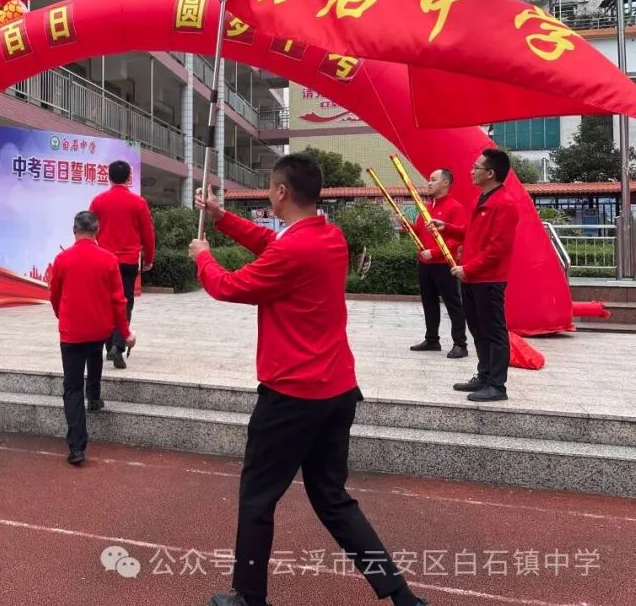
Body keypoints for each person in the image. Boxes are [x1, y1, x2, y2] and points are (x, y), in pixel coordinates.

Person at [189, 153, 426, 606]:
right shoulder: (328, 236)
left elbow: (230, 287)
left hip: (292, 397)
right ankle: (400, 594)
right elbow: (270, 244)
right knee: (333, 499)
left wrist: (203, 258)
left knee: (258, 498)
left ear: (280, 192)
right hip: (337, 391)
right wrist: (222, 219)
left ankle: (248, 596)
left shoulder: (294, 249)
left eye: (270, 189)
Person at [431, 149, 519, 403]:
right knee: (478, 330)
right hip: (472, 278)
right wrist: (447, 228)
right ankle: (484, 375)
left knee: (493, 331)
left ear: (490, 173)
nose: (471, 171)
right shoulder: (483, 199)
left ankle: (497, 385)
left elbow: (498, 248)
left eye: (476, 167)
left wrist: (468, 268)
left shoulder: (504, 203)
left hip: (487, 279)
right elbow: (471, 233)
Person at [49, 211, 135, 466]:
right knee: (95, 356)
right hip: (99, 329)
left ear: (74, 230)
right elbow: (119, 301)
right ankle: (95, 398)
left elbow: (54, 295)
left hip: (72, 331)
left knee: (72, 386)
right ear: (97, 231)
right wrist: (126, 332)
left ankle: (77, 447)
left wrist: (61, 316)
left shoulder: (62, 259)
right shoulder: (109, 260)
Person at [88, 160, 155, 369]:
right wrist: (149, 258)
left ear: (108, 177)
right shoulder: (138, 203)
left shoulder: (98, 201)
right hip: (128, 262)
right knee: (124, 302)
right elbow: (148, 234)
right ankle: (118, 344)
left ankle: (110, 346)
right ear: (129, 178)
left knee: (106, 303)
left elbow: (89, 228)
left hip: (104, 260)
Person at [409, 168, 468, 358]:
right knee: (429, 302)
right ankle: (432, 339)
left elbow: (457, 239)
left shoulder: (455, 208)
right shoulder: (426, 207)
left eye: (433, 179)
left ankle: (460, 343)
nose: (429, 183)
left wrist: (433, 253)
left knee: (453, 303)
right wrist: (405, 224)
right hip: (425, 263)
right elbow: (419, 230)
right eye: (429, 179)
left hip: (444, 264)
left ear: (446, 183)